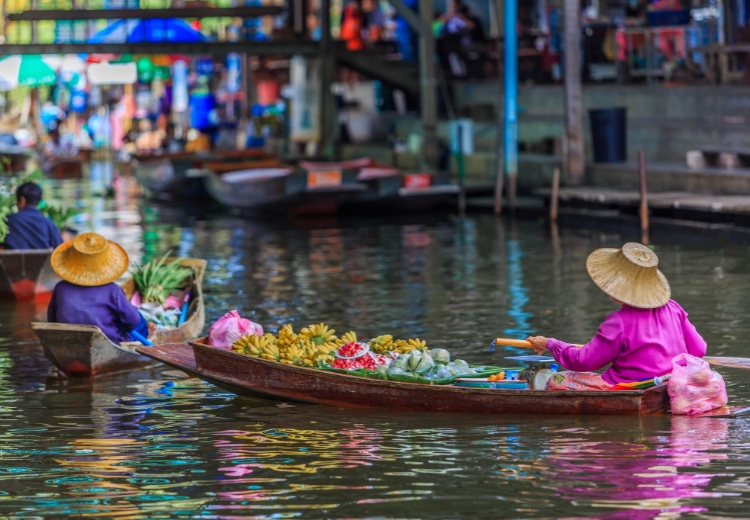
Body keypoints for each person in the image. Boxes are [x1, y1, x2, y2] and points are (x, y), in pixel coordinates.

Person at [526, 242, 707, 391]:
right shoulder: (673, 308)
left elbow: (584, 361)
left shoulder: (619, 321)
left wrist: (551, 344)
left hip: (629, 387)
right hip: (670, 384)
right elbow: (699, 349)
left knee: (556, 379)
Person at [47, 232, 150, 344]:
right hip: (109, 341)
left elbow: (52, 320)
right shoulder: (113, 290)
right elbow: (133, 321)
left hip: (67, 341)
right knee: (139, 320)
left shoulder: (60, 288)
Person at [2, 182, 63, 250]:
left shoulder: (8, 220)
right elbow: (60, 249)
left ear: (22, 200)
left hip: (12, 260)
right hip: (42, 260)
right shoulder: (49, 223)